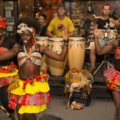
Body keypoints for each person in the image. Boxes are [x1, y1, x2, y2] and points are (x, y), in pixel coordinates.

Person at [0, 17, 68, 120]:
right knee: (20, 115)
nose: (25, 37)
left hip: (33, 86)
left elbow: (61, 58)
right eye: (22, 35)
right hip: (20, 85)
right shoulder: (17, 49)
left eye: (28, 35)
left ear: (33, 35)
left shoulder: (41, 48)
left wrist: (66, 42)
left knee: (28, 114)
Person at [94, 24, 120, 119]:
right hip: (117, 77)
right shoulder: (116, 43)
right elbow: (100, 52)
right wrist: (96, 38)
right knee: (118, 108)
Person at [89, 3, 118, 74]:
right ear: (102, 10)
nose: (106, 11)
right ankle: (93, 68)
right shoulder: (99, 21)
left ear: (110, 10)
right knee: (92, 49)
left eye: (108, 9)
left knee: (117, 50)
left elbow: (119, 26)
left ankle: (117, 68)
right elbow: (95, 32)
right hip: (101, 39)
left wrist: (114, 22)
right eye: (104, 9)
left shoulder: (114, 18)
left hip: (111, 39)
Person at [0, 16, 18, 120]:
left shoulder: (9, 41)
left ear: (3, 30)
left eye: (0, 31)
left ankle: (12, 117)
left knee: (5, 99)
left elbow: (16, 50)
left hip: (7, 74)